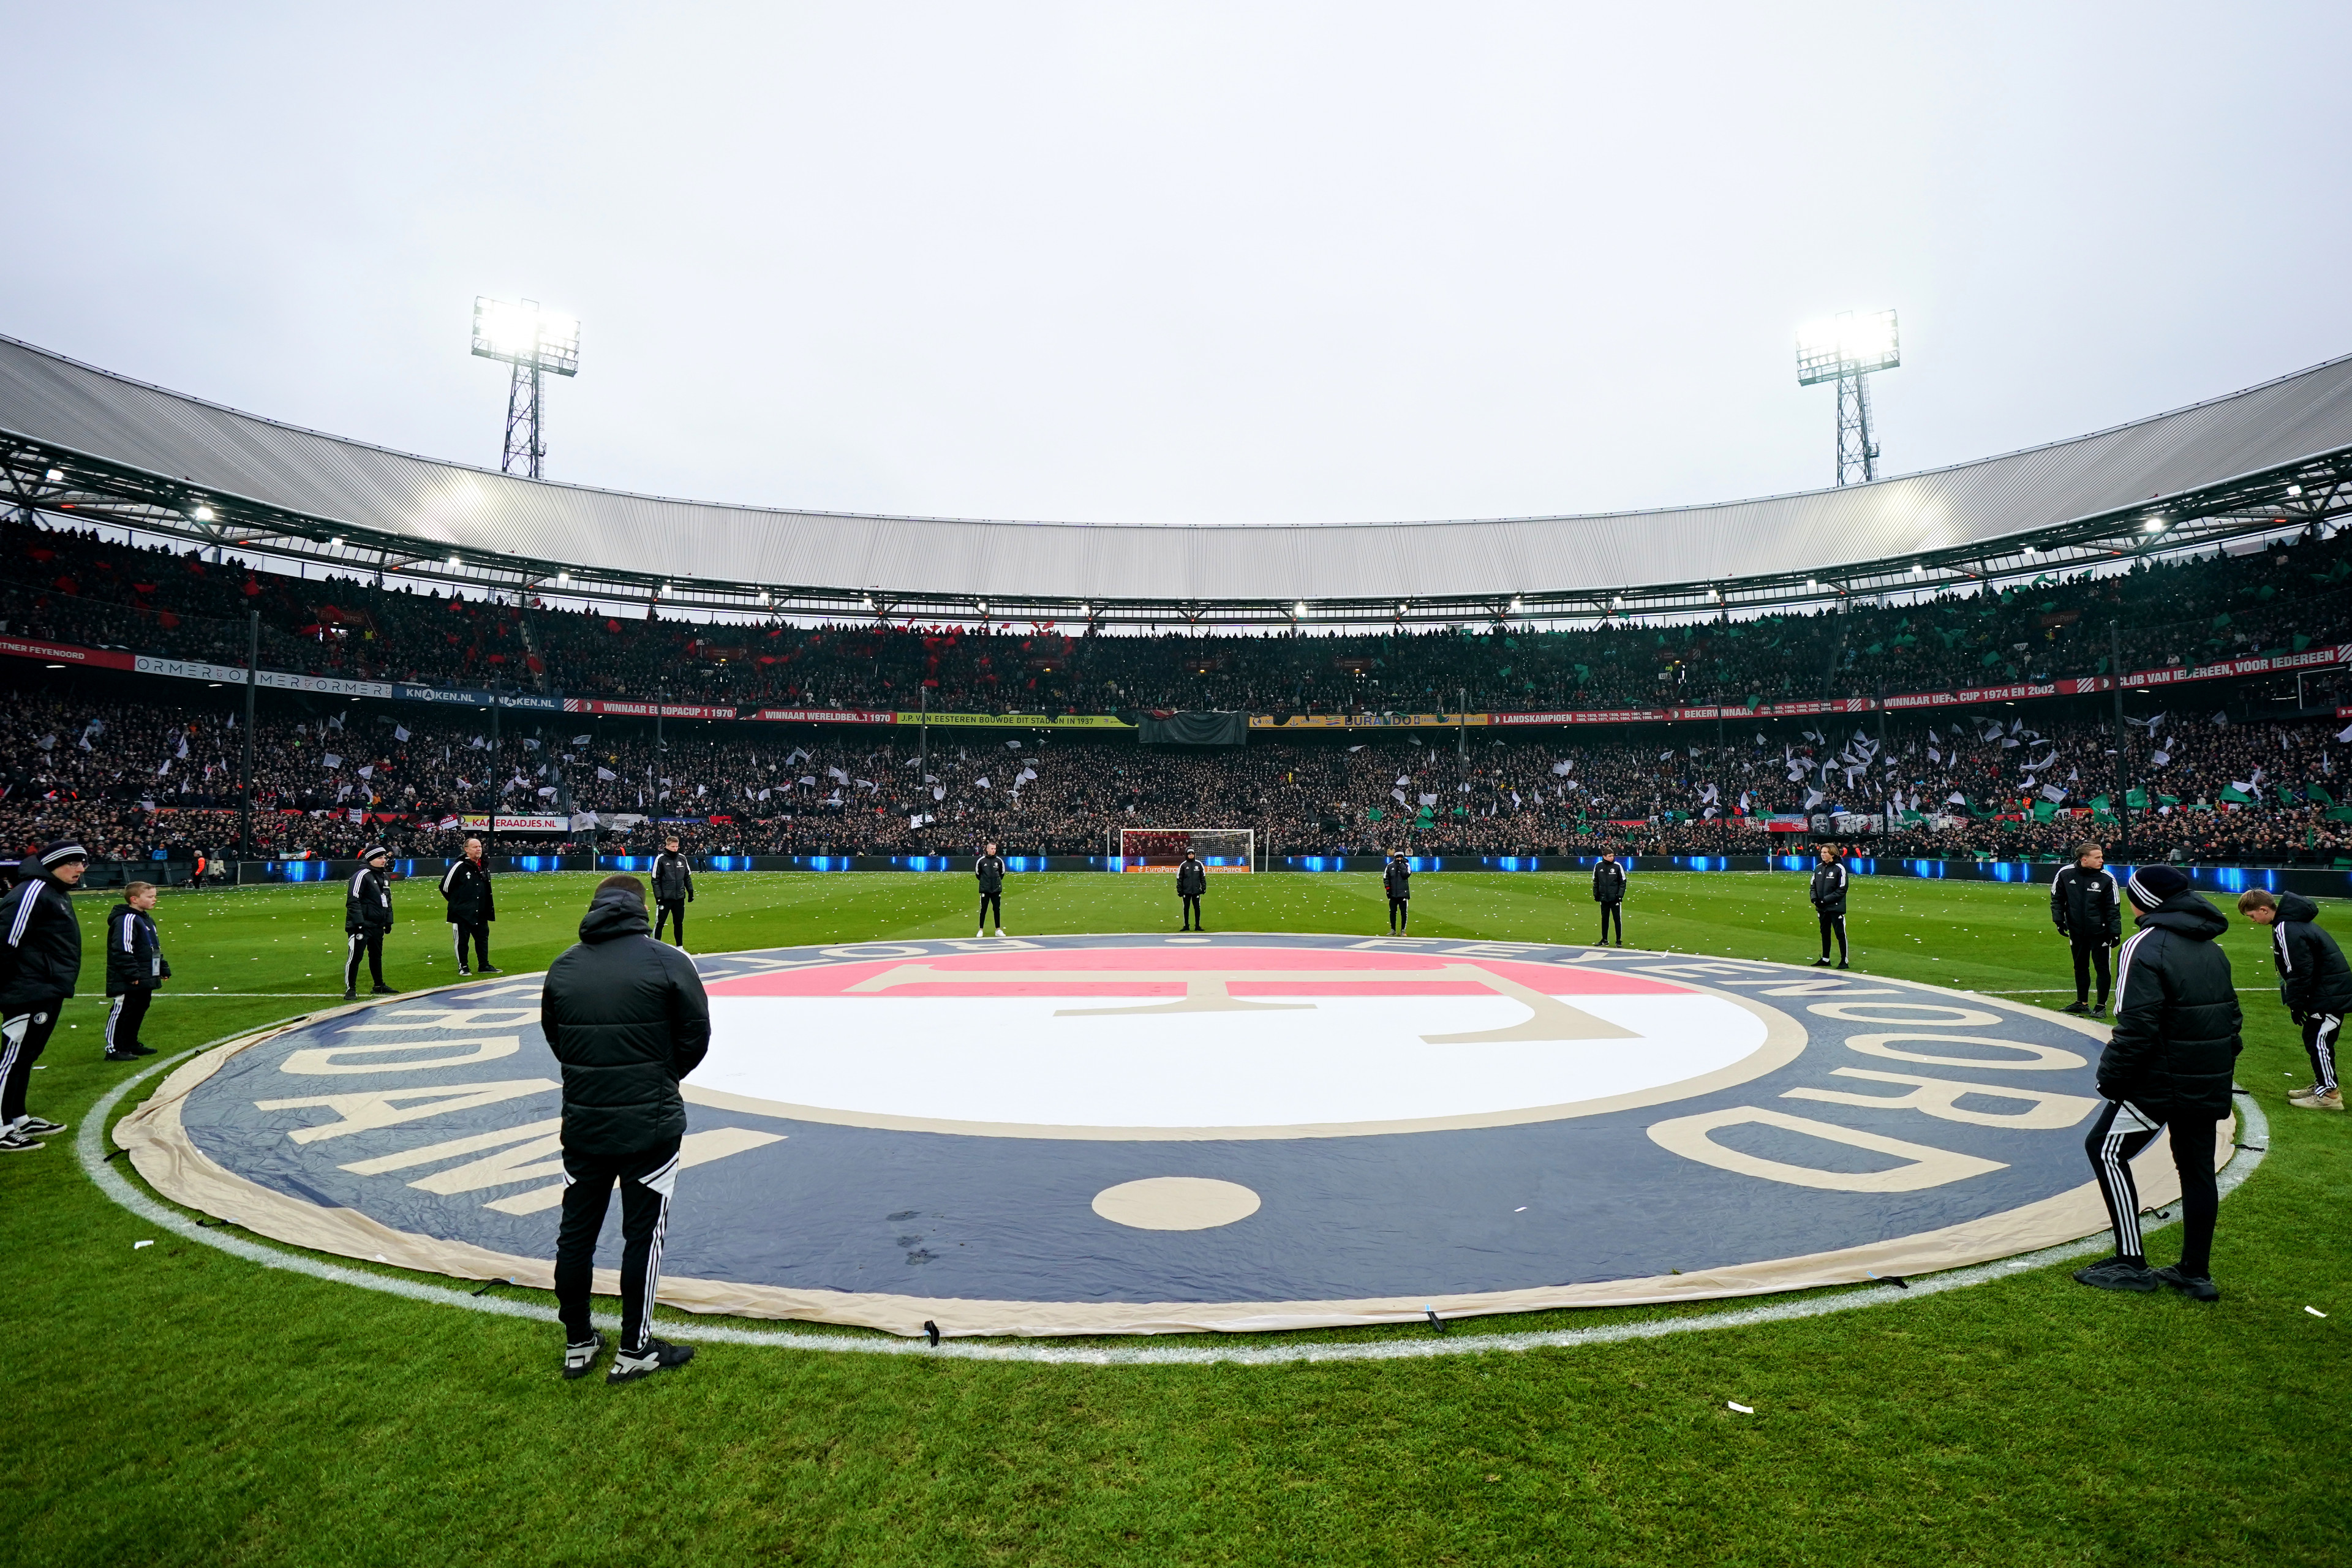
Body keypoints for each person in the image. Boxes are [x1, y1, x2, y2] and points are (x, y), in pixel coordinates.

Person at [543, 874, 710, 1384]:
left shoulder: (564, 966)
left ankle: (578, 1341)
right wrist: (661, 1077)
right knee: (644, 1236)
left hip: (585, 1121)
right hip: (650, 1125)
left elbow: (558, 1039)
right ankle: (635, 1348)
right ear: (642, 907)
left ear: (595, 907)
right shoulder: (668, 961)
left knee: (576, 1235)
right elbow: (696, 1035)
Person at [2074, 865, 2241, 1301]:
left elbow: (2137, 1026)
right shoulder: (2211, 946)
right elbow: (2232, 1018)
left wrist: (2111, 1078)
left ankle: (2131, 1260)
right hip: (2206, 1075)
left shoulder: (2144, 944)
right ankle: (2195, 1272)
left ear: (2143, 901)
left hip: (2159, 1078)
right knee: (2197, 1169)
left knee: (2104, 1149)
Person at [0, 841, 86, 1152]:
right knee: (12, 1057)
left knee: (26, 1056)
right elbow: (6, 941)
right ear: (52, 865)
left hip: (46, 986)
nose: (80, 869)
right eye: (73, 863)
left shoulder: (55, 892)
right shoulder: (33, 891)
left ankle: (17, 1118)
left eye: (83, 863)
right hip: (27, 989)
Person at [2236, 888, 2348, 1112]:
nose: (2253, 921)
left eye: (2252, 916)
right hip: (2326, 991)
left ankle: (2329, 1094)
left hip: (2328, 993)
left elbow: (2298, 969)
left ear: (2263, 910)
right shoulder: (2292, 923)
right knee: (2314, 1037)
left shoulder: (2286, 927)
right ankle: (2323, 1085)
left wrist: (2296, 1004)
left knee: (2319, 1040)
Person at [2049, 841, 2123, 1017]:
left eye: (2101, 857)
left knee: (2102, 968)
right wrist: (2059, 920)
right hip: (2076, 930)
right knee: (2080, 966)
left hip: (2100, 932)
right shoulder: (2065, 873)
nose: (2102, 860)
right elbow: (2057, 898)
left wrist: (2115, 931)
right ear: (2084, 859)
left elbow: (2113, 906)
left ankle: (2101, 1006)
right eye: (2097, 857)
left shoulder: (2107, 878)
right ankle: (2081, 1003)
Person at [103, 880, 168, 1061]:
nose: (155, 899)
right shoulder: (126, 920)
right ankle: (114, 1049)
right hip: (131, 976)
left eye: (155, 896)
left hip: (145, 974)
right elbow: (122, 949)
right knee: (124, 1010)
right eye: (150, 896)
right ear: (134, 899)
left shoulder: (145, 919)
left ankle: (130, 1043)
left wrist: (161, 968)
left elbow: (153, 948)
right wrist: (132, 973)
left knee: (139, 1008)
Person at [343, 845, 397, 1000]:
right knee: (355, 957)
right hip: (361, 925)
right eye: (380, 858)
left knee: (376, 956)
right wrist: (359, 923)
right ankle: (351, 989)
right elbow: (353, 900)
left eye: (384, 857)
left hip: (377, 924)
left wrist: (388, 921)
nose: (384, 860)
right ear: (371, 859)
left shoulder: (384, 877)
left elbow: (388, 901)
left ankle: (379, 985)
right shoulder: (361, 875)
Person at [439, 837, 498, 976]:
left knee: (482, 939)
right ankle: (463, 967)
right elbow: (444, 887)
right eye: (475, 847)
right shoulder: (459, 866)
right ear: (466, 850)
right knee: (462, 941)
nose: (479, 849)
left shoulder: (484, 865)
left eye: (480, 847)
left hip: (481, 911)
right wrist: (458, 903)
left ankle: (484, 965)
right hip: (462, 912)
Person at [1809, 842, 1849, 968]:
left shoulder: (1839, 868)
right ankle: (1826, 959)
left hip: (1835, 908)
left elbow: (1842, 889)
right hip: (1822, 908)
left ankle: (1844, 960)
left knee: (1840, 934)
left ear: (1832, 853)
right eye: (1822, 852)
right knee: (1825, 933)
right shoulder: (1818, 868)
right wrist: (1815, 899)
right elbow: (1813, 886)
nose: (1823, 855)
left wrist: (1825, 900)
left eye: (1825, 852)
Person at [652, 836, 694, 948]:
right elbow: (655, 879)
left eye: (677, 846)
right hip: (665, 898)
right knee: (660, 923)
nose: (675, 849)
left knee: (679, 923)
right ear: (667, 846)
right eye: (673, 846)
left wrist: (690, 892)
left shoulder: (682, 858)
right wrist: (659, 897)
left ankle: (680, 947)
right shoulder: (660, 859)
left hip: (679, 897)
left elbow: (687, 877)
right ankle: (655, 947)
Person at [1592, 848, 1627, 945]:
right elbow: (1596, 881)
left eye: (1613, 856)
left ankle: (1618, 940)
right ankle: (1604, 940)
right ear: (1604, 857)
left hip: (1615, 898)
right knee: (1604, 919)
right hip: (1604, 898)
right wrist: (1596, 895)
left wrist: (1620, 895)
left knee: (1617, 919)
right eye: (1610, 856)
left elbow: (1623, 882)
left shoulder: (1617, 866)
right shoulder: (1598, 866)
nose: (1612, 858)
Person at [975, 842, 1007, 937]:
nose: (994, 850)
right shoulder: (981, 861)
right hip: (985, 889)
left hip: (996, 889)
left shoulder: (999, 861)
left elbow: (1002, 873)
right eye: (992, 849)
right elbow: (978, 874)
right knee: (983, 909)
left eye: (995, 849)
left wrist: (996, 882)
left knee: (997, 909)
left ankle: (998, 930)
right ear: (987, 849)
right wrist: (985, 882)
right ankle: (981, 930)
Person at [1175, 849, 1207, 932]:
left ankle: (1197, 926)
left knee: (1197, 908)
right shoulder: (1183, 865)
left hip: (1196, 891)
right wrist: (1179, 889)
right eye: (1189, 854)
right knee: (1186, 908)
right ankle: (1186, 925)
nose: (1191, 855)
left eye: (1192, 854)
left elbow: (1203, 877)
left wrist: (1203, 888)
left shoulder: (1199, 864)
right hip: (1186, 891)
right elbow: (1179, 878)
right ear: (1187, 855)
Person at [1383, 850, 1411, 935]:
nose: (1399, 859)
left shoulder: (1406, 865)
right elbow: (1386, 878)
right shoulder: (1390, 866)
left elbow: (1406, 875)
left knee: (1404, 912)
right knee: (1392, 912)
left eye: (1401, 857)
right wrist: (1388, 889)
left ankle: (1403, 930)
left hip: (1403, 893)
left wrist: (1402, 866)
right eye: (1398, 857)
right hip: (1393, 893)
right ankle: (1393, 930)